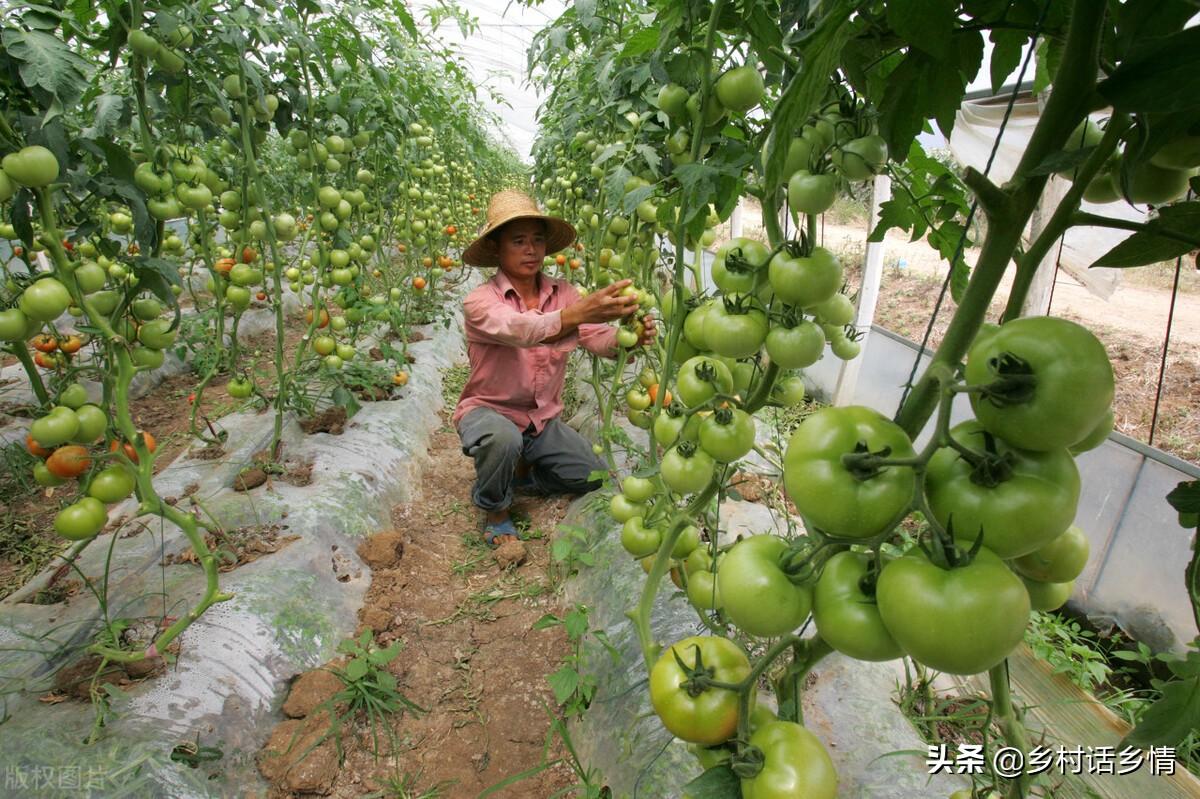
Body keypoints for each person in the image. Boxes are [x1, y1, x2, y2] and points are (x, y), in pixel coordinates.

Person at [454, 190, 655, 547]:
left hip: (542, 420)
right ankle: (495, 508)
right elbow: (521, 329)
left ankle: (520, 477)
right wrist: (577, 314)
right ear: (497, 249)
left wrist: (629, 338)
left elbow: (595, 338)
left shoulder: (565, 293)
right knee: (501, 438)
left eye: (537, 240)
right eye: (518, 241)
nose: (531, 249)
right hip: (490, 412)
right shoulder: (480, 302)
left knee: (594, 476)